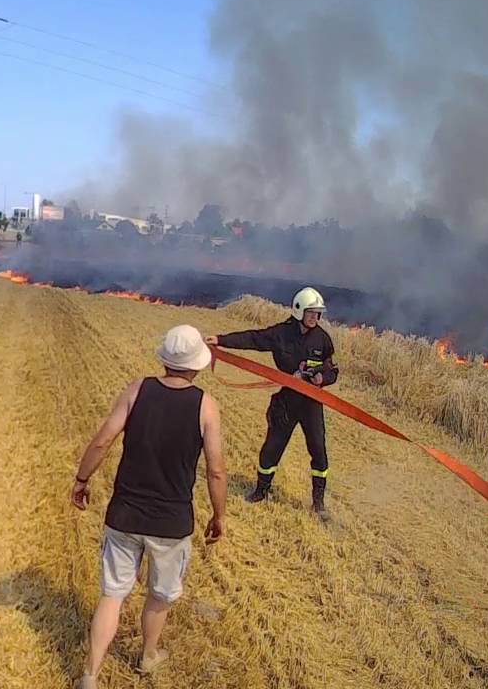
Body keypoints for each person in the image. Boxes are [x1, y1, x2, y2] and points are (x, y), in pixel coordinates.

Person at [70, 325, 227, 688]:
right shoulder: (205, 405)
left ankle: (90, 675)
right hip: (171, 523)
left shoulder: (137, 390)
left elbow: (104, 439)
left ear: (165, 359)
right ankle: (148, 655)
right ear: (197, 366)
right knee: (159, 595)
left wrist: (81, 479)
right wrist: (219, 516)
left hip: (124, 513)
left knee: (112, 595)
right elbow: (216, 471)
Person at [205, 287, 338, 514]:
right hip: (286, 402)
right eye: (311, 312)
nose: (315, 317)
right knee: (272, 448)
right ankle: (261, 491)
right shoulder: (280, 334)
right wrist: (220, 340)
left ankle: (318, 502)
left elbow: (333, 370)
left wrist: (322, 378)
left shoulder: (323, 339)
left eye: (318, 313)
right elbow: (252, 339)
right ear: (298, 311)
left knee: (318, 450)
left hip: (311, 404)